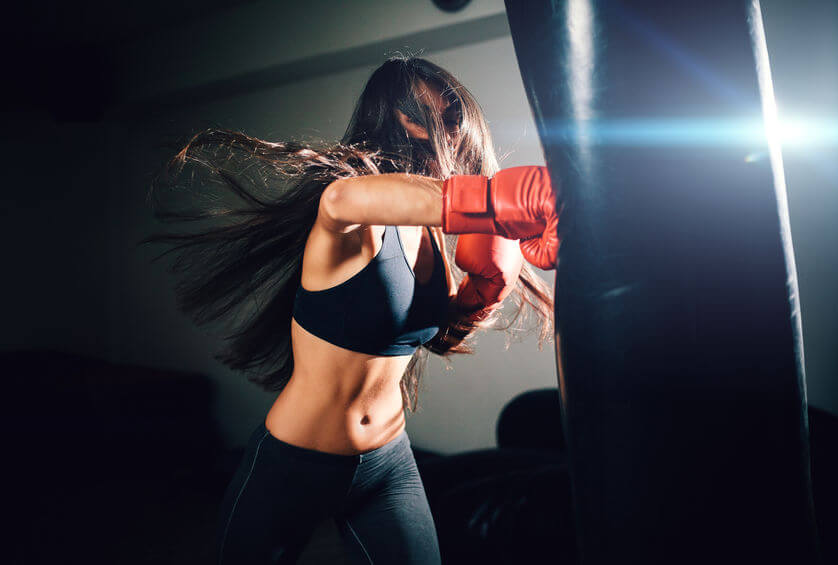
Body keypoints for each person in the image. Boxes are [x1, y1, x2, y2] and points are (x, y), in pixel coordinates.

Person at [142, 55, 558, 565]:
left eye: (457, 112)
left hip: (388, 464)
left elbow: (423, 330)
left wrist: (478, 297)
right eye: (441, 110)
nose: (454, 123)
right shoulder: (347, 208)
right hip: (295, 462)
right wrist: (502, 199)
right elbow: (347, 197)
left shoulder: (428, 231)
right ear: (403, 118)